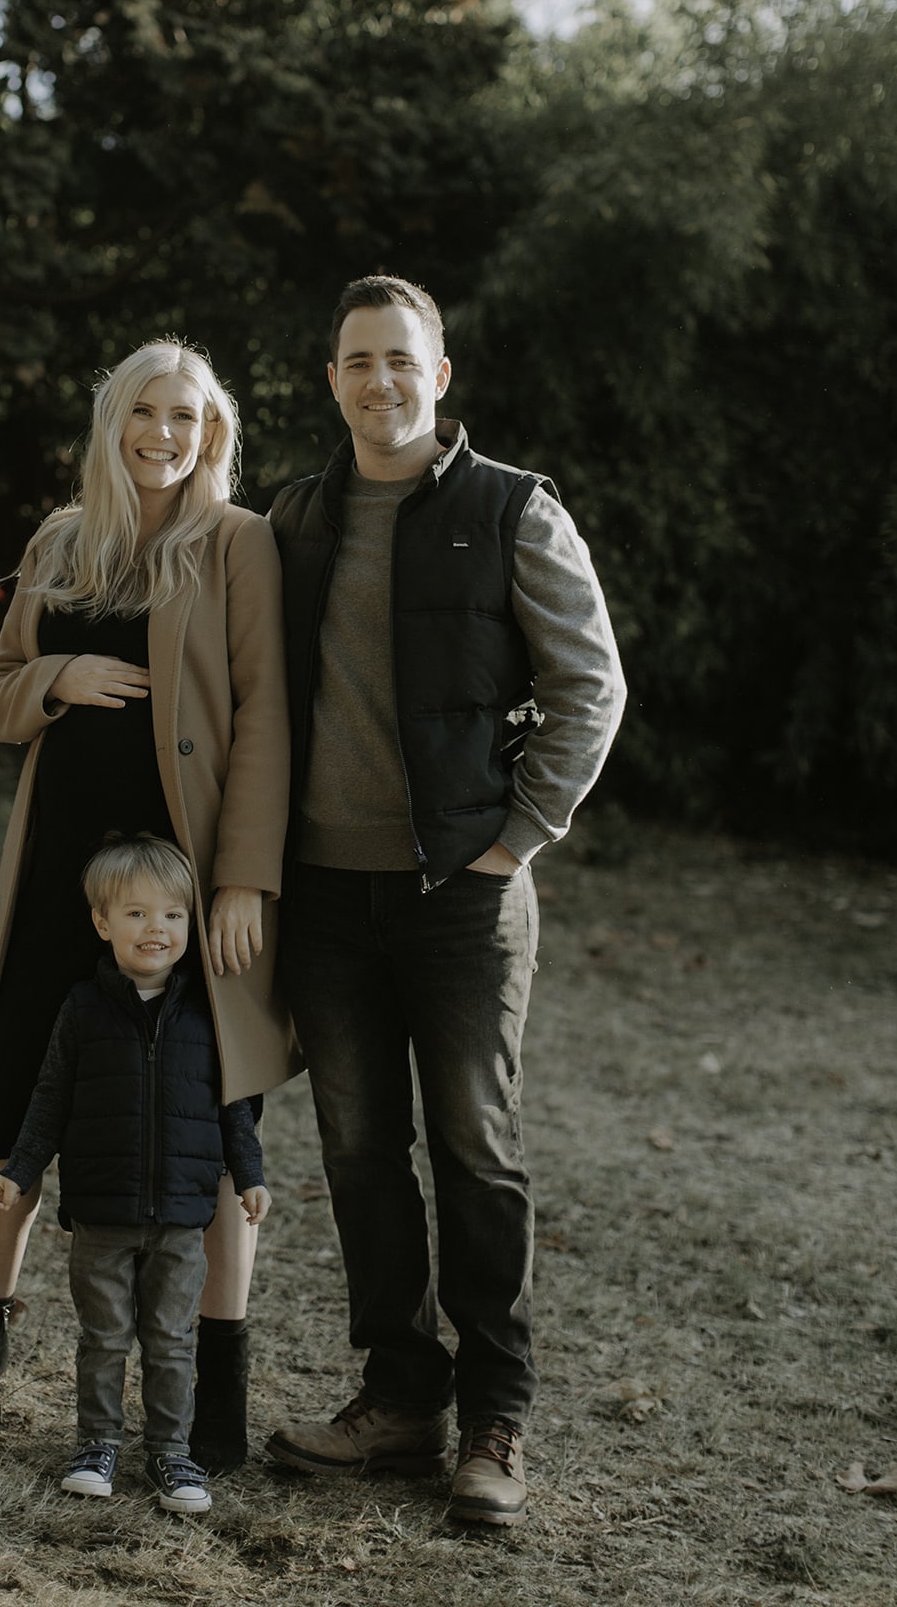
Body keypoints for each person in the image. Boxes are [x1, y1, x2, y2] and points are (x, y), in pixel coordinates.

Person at [0, 340, 300, 1473]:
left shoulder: (239, 543)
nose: (164, 433)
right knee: (14, 1088)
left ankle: (217, 1387)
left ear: (213, 431)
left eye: (186, 415)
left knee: (210, 1112)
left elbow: (266, 711)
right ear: (113, 423)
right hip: (63, 872)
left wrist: (245, 878)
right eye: (143, 412)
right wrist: (56, 678)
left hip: (189, 878)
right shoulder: (62, 541)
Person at [264, 275, 626, 1527]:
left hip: (463, 896)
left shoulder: (513, 507)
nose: (381, 380)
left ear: (441, 373)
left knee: (476, 1148)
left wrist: (516, 837)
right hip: (324, 895)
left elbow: (591, 686)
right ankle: (401, 1399)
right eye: (358, 360)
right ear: (333, 379)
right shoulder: (295, 516)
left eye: (401, 358)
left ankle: (495, 1421)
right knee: (360, 1151)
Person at [0, 833, 271, 1514]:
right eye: (136, 914)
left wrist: (250, 1175)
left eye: (171, 914)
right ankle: (98, 1444)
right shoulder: (83, 1009)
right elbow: (49, 1099)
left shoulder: (207, 1013)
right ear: (102, 923)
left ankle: (172, 1451)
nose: (155, 929)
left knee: (171, 1341)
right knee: (105, 1338)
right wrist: (19, 1170)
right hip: (101, 1215)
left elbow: (234, 1106)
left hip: (182, 1218)